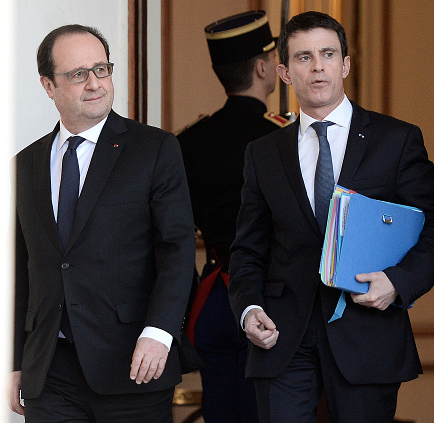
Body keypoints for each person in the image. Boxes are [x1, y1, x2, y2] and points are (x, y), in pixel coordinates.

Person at [227, 11, 434, 423]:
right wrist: (248, 308)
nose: (317, 66)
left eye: (328, 54)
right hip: (283, 339)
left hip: (366, 333)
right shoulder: (261, 153)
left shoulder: (397, 139)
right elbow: (248, 248)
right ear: (283, 72)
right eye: (303, 57)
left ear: (345, 65)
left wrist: (398, 282)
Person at [8, 24, 195, 422]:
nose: (95, 83)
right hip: (50, 370)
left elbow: (176, 251)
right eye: (78, 74)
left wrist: (160, 332)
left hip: (133, 362)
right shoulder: (25, 165)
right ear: (48, 85)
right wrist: (14, 360)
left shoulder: (155, 149)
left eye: (102, 69)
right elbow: (22, 271)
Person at [177, 10, 287, 423]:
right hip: (272, 298)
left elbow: (175, 233)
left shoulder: (190, 142)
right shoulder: (281, 137)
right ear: (262, 67)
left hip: (215, 301)